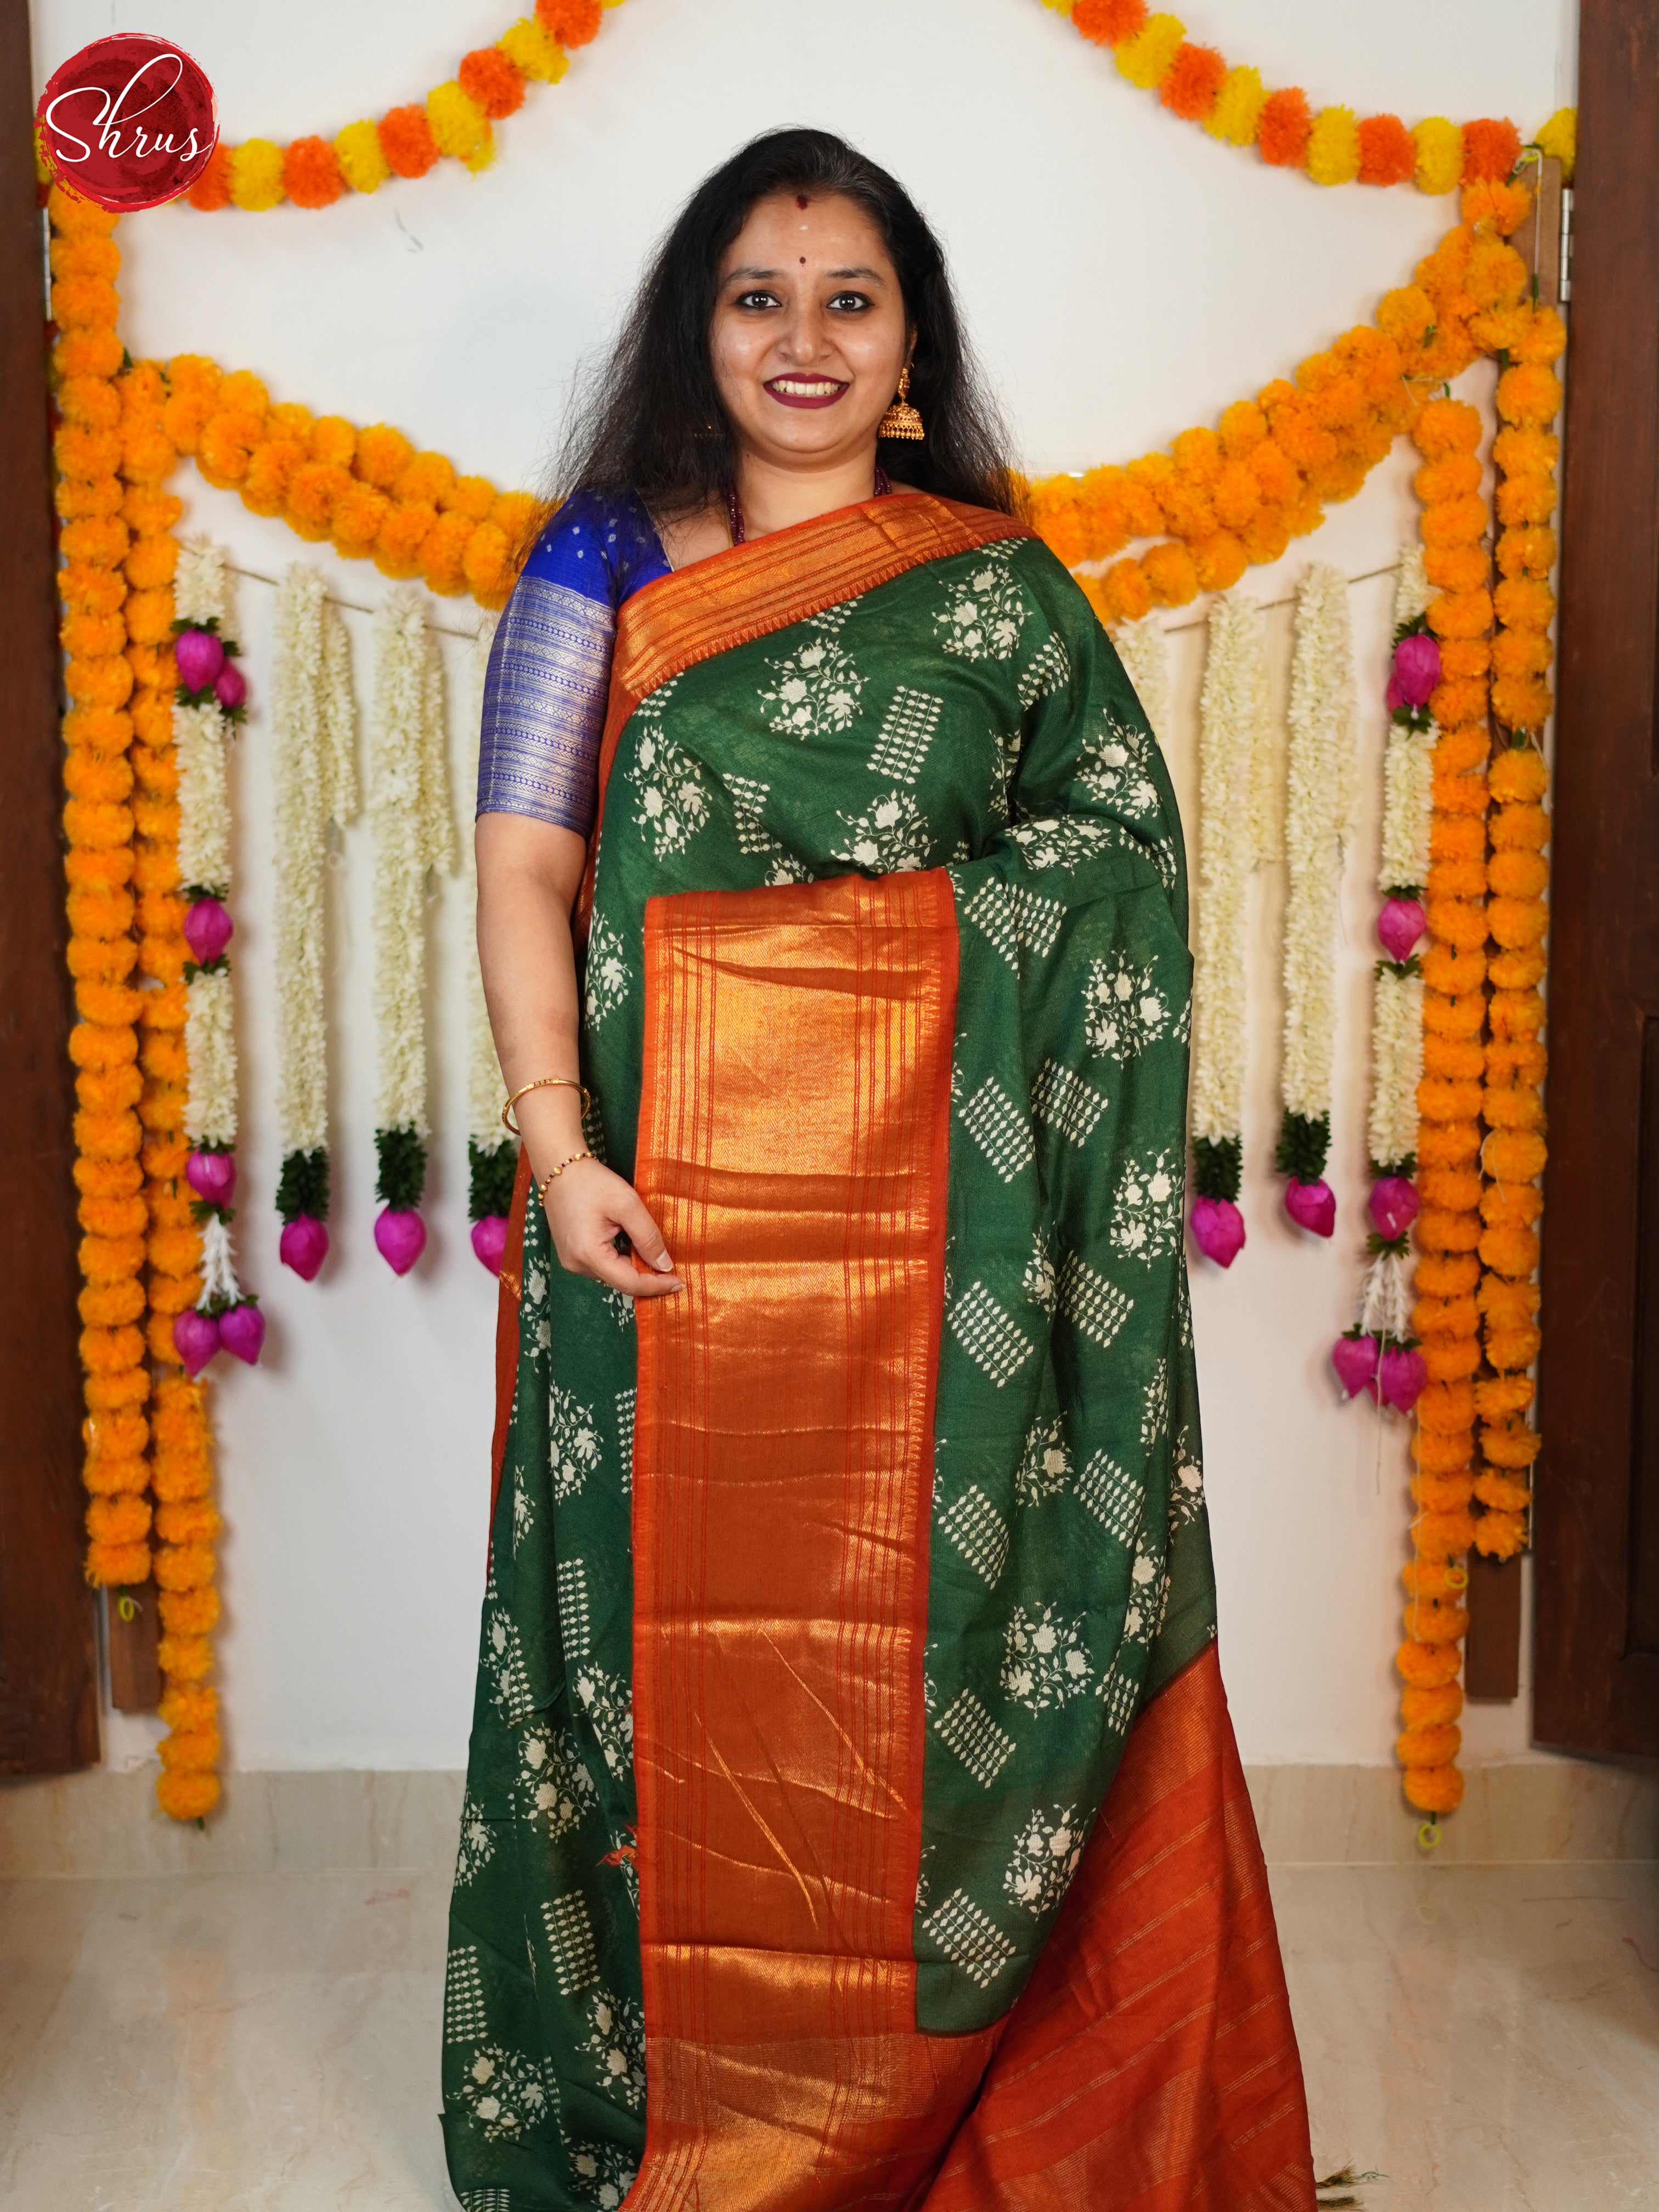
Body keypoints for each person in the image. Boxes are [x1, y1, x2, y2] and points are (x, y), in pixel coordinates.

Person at [448, 127, 1314, 2210]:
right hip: (656, 1219)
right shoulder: (606, 564)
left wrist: (891, 956)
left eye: (851, 299)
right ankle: (672, 2121)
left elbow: (1112, 872)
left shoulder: (994, 587)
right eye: (760, 295)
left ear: (910, 343)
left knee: (942, 1645)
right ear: (699, 329)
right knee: (642, 1656)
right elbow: (528, 858)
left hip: (956, 1270)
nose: (805, 338)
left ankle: (937, 2096)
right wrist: (558, 1148)